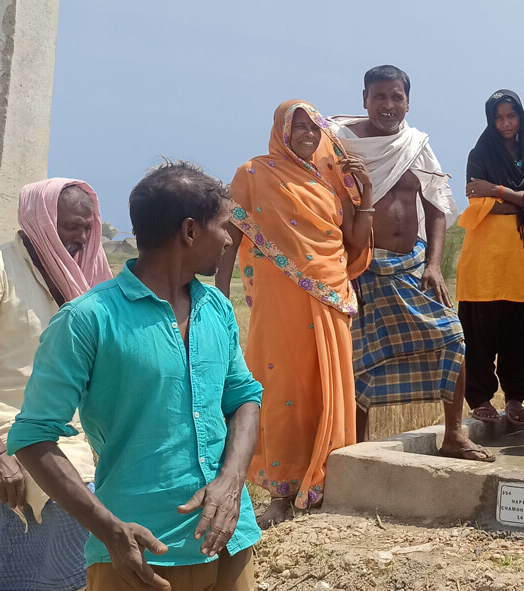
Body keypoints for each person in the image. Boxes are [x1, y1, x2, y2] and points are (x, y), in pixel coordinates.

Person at [8, 161, 264, 591]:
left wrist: (230, 482)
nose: (229, 239)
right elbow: (32, 438)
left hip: (231, 543)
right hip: (138, 557)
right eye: (224, 226)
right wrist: (109, 529)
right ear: (189, 231)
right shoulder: (88, 320)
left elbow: (244, 398)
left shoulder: (217, 308)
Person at [0, 178, 109, 591]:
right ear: (40, 220)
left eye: (88, 228)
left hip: (73, 425)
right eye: (71, 226)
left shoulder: (78, 276)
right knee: (76, 506)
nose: (82, 238)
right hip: (10, 426)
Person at [217, 100, 373, 528]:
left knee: (327, 387)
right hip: (277, 296)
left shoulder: (335, 178)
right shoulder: (254, 173)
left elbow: (355, 241)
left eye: (312, 127)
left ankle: (327, 485)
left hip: (330, 293)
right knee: (282, 388)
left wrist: (367, 192)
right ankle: (281, 493)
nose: (306, 134)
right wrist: (218, 295)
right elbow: (231, 233)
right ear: (281, 130)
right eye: (297, 127)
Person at [329, 65, 491, 461]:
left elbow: (436, 208)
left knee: (452, 338)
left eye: (396, 96)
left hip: (413, 267)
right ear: (364, 99)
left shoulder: (416, 145)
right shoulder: (339, 145)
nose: (388, 105)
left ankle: (455, 434)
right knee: (360, 359)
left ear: (407, 101)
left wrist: (434, 266)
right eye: (379, 96)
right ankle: (355, 450)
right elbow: (329, 209)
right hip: (363, 270)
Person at [457, 89, 524, 427]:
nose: (506, 122)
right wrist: (519, 199)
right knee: (479, 328)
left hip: (521, 257)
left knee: (521, 329)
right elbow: (477, 202)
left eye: (512, 115)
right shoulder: (478, 154)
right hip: (483, 255)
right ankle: (480, 397)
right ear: (491, 121)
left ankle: (514, 397)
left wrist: (496, 191)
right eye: (499, 116)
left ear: (521, 118)